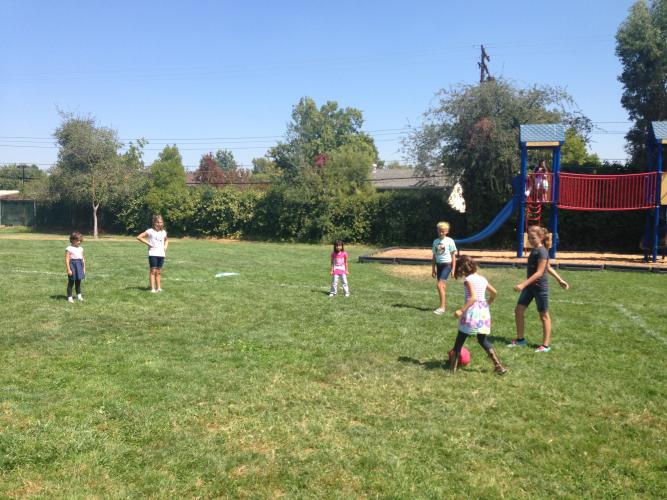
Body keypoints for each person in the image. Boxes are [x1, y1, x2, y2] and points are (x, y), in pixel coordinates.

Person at [509, 226, 569, 352]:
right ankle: (520, 340)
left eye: (533, 238)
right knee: (518, 310)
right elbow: (548, 267)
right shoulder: (536, 250)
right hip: (530, 287)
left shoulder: (542, 251)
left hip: (540, 288)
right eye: (529, 238)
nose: (530, 240)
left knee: (544, 315)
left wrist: (523, 284)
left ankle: (545, 346)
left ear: (541, 237)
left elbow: (540, 272)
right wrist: (560, 279)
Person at [449, 255, 507, 374]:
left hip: (472, 312)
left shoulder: (468, 280)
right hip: (483, 312)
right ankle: (498, 365)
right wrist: (488, 302)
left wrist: (461, 310)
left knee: (460, 338)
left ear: (462, 269)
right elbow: (494, 292)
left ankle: (452, 368)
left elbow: (473, 297)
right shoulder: (482, 279)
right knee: (482, 339)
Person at [137, 215, 168, 293]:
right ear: (154, 223)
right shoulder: (150, 231)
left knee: (159, 271)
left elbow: (166, 240)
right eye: (157, 222)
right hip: (153, 253)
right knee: (153, 271)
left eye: (161, 222)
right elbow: (139, 237)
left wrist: (165, 247)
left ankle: (159, 288)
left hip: (161, 254)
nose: (159, 224)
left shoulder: (163, 232)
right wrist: (149, 244)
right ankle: (153, 289)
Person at [431, 221, 457, 315]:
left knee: (439, 285)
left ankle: (442, 308)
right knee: (442, 286)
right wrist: (433, 269)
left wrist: (453, 269)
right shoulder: (435, 242)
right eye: (439, 231)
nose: (441, 233)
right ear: (437, 230)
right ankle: (442, 306)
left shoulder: (450, 241)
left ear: (447, 232)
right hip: (439, 266)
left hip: (447, 265)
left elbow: (453, 256)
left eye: (443, 231)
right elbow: (434, 256)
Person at [65, 231, 86, 303]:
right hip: (72, 266)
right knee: (71, 282)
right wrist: (69, 269)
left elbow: (83, 259)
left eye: (80, 240)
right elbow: (67, 259)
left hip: (79, 265)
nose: (79, 242)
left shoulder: (81, 248)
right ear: (72, 240)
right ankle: (69, 297)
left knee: (78, 282)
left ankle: (79, 296)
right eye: (77, 240)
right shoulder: (69, 248)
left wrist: (83, 268)